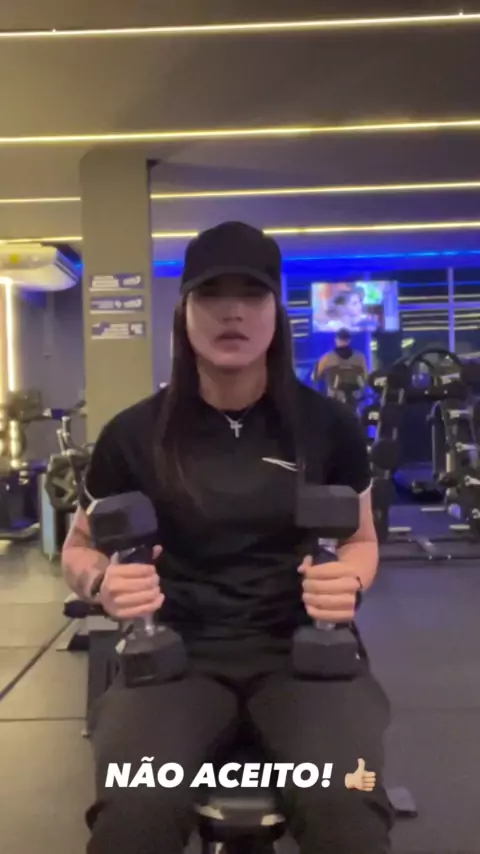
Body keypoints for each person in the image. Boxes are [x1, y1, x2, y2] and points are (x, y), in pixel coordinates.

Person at [62, 221, 393, 854]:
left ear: (276, 312)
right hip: (174, 658)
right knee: (134, 811)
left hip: (303, 655)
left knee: (347, 806)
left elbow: (361, 539)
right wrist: (100, 582)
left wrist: (349, 578)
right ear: (184, 311)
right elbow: (80, 546)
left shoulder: (329, 427)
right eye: (212, 294)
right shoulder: (133, 434)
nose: (233, 311)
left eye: (252, 293)